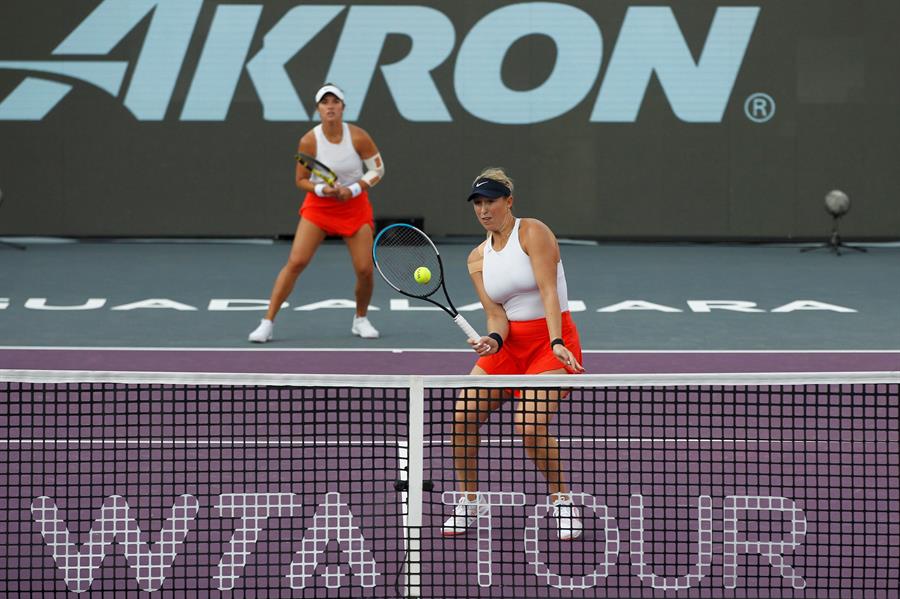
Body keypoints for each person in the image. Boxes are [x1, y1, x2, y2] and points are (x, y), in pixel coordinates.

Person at [442, 167, 585, 541]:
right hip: (510, 347)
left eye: (491, 201)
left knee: (529, 426)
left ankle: (562, 501)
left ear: (509, 201)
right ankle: (469, 500)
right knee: (462, 417)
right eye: (478, 203)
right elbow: (496, 314)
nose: (484, 210)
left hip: (550, 341)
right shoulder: (477, 257)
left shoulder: (533, 232)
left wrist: (557, 342)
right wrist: (493, 339)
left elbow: (549, 292)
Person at [249, 83, 385, 342]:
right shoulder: (309, 141)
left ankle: (361, 319)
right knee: (296, 262)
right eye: (325, 102)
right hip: (319, 207)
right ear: (318, 109)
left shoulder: (359, 137)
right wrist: (324, 190)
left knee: (365, 269)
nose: (330, 106)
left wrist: (354, 189)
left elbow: (378, 171)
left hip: (354, 207)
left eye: (335, 102)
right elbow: (301, 180)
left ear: (343, 107)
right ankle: (267, 322)